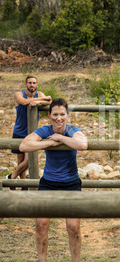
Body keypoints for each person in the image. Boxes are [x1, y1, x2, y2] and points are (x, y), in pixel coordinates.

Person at [19, 98, 88, 262]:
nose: (59, 118)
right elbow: (24, 146)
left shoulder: (72, 130)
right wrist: (48, 143)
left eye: (62, 114)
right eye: (55, 114)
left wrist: (62, 139)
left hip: (71, 183)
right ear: (49, 115)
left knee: (73, 227)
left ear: (67, 115)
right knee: (41, 225)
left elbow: (82, 144)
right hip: (48, 182)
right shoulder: (45, 130)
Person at [7, 75, 52, 190]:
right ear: (26, 84)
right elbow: (24, 101)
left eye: (34, 83)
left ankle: (11, 178)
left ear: (37, 85)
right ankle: (24, 186)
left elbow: (50, 101)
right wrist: (41, 100)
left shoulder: (39, 94)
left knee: (28, 161)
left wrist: (38, 102)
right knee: (20, 161)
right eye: (30, 83)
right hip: (18, 132)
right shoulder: (19, 94)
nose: (32, 85)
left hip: (31, 133)